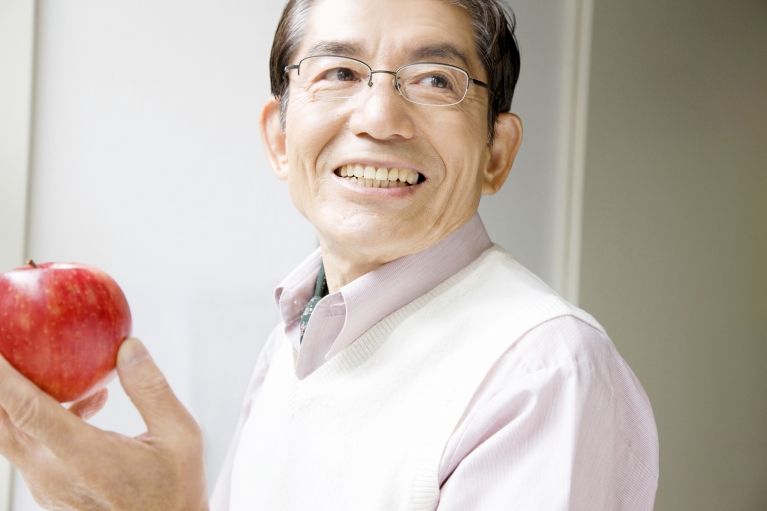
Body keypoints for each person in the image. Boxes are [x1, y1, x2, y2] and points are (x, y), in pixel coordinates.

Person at [0, 0, 659, 509]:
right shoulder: (295, 336)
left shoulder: (543, 373)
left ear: (496, 153)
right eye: (339, 72)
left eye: (436, 79)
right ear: (279, 140)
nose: (379, 117)